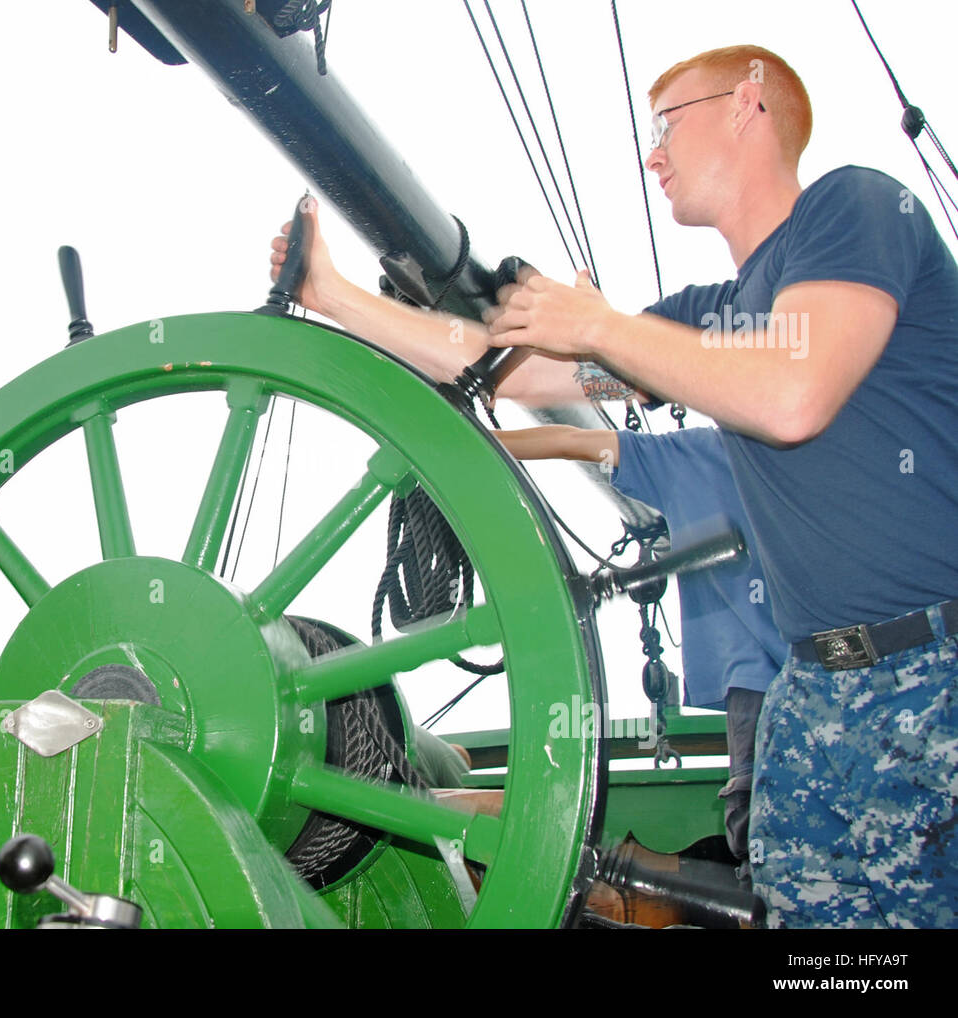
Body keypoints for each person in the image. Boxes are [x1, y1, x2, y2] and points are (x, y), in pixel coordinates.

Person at [481, 46, 958, 928]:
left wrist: (602, 325)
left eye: (665, 125)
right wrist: (339, 298)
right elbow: (510, 371)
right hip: (812, 698)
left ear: (746, 105)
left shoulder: (858, 206)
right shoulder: (707, 318)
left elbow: (790, 394)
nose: (651, 154)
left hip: (935, 679)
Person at [271, 205, 785, 883]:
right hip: (777, 698)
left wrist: (595, 336)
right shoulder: (698, 422)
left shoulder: (710, 442)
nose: (657, 156)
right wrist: (456, 449)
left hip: (792, 695)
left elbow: (583, 424)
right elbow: (571, 397)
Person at [496, 424, 783, 880]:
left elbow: (571, 440)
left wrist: (456, 434)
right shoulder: (827, 442)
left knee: (767, 845)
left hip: (758, 686)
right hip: (846, 667)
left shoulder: (693, 453)